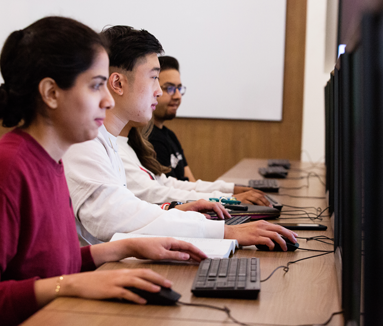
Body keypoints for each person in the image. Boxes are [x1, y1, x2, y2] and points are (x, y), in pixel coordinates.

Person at [0, 17, 208, 326]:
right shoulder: (3, 170)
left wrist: (123, 248)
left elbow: (52, 264)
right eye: (96, 85)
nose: (106, 99)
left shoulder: (52, 161)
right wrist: (71, 285)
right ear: (50, 93)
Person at [62, 26, 296, 248]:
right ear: (118, 83)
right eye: (154, 77)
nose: (159, 91)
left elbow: (133, 208)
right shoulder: (84, 144)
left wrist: (180, 211)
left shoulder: (108, 142)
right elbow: (113, 218)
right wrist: (224, 232)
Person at [120, 121, 271, 205]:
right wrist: (226, 199)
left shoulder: (130, 145)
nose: (157, 92)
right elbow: (155, 195)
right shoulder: (119, 151)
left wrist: (230, 190)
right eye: (152, 78)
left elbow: (169, 184)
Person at [147, 56, 194, 181]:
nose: (177, 96)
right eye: (170, 88)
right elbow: (171, 194)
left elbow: (191, 182)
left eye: (179, 88)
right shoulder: (147, 141)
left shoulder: (170, 135)